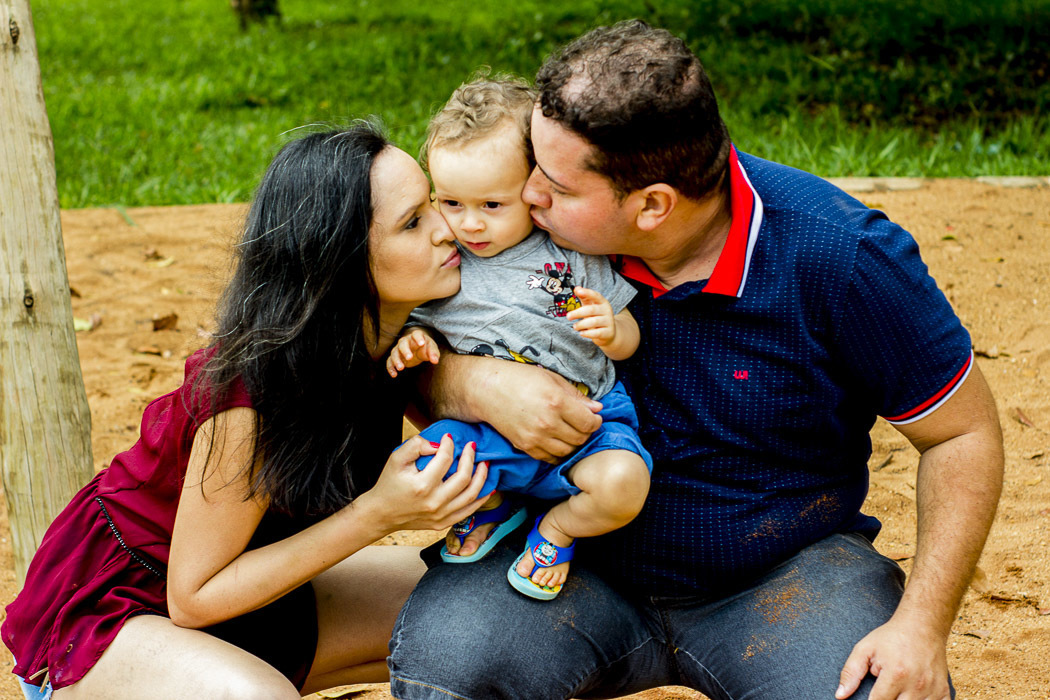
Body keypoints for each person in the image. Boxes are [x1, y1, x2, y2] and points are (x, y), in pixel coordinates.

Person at [388, 20, 1004, 700]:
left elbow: (961, 432)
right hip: (567, 559)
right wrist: (468, 380)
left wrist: (922, 626)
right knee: (445, 669)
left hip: (787, 574)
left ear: (653, 205)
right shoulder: (501, 237)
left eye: (555, 185)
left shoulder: (844, 257)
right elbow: (397, 352)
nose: (529, 193)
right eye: (531, 163)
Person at [2, 123, 491, 700]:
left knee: (486, 607)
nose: (447, 228)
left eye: (434, 202)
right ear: (341, 259)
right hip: (125, 608)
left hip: (257, 590)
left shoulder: (396, 343)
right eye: (413, 222)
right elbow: (194, 595)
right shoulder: (253, 393)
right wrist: (377, 514)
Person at [385, 77, 652, 600]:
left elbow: (630, 337)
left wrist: (614, 330)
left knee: (624, 482)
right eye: (451, 203)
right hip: (491, 436)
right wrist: (412, 341)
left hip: (589, 423)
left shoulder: (567, 255)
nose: (468, 224)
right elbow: (416, 327)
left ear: (532, 187)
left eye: (492, 205)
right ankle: (494, 508)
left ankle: (557, 530)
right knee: (422, 464)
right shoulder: (445, 265)